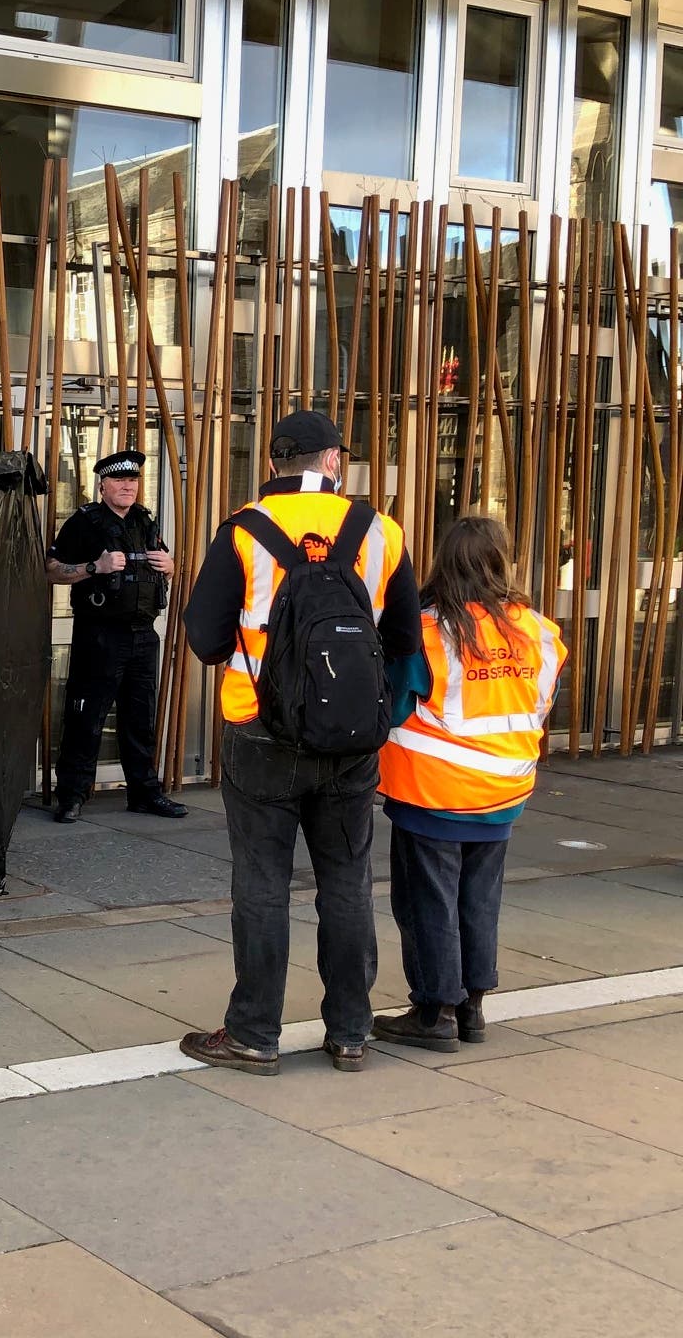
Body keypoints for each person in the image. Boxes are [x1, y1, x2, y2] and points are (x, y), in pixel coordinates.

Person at [179, 410, 421, 1076]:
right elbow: (403, 641)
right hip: (351, 740)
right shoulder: (381, 532)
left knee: (261, 884)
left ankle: (254, 1034)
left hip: (260, 733)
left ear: (275, 463)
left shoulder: (242, 531)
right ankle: (349, 1032)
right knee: (346, 882)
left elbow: (203, 639)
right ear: (334, 462)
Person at [371, 516, 563, 1051]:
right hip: (503, 793)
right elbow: (538, 706)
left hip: (433, 793)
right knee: (479, 901)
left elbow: (394, 706)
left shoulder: (430, 633)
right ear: (502, 563)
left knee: (428, 903)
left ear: (444, 561)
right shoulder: (538, 631)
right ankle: (473, 1007)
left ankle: (435, 1011)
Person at [45, 449, 187, 823]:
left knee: (141, 719)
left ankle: (144, 793)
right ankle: (71, 796)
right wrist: (96, 566)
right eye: (120, 480)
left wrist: (170, 567)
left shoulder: (145, 521)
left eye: (134, 480)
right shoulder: (85, 522)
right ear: (103, 485)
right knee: (86, 717)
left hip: (143, 633)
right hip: (100, 634)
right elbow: (52, 569)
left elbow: (163, 565)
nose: (128, 486)